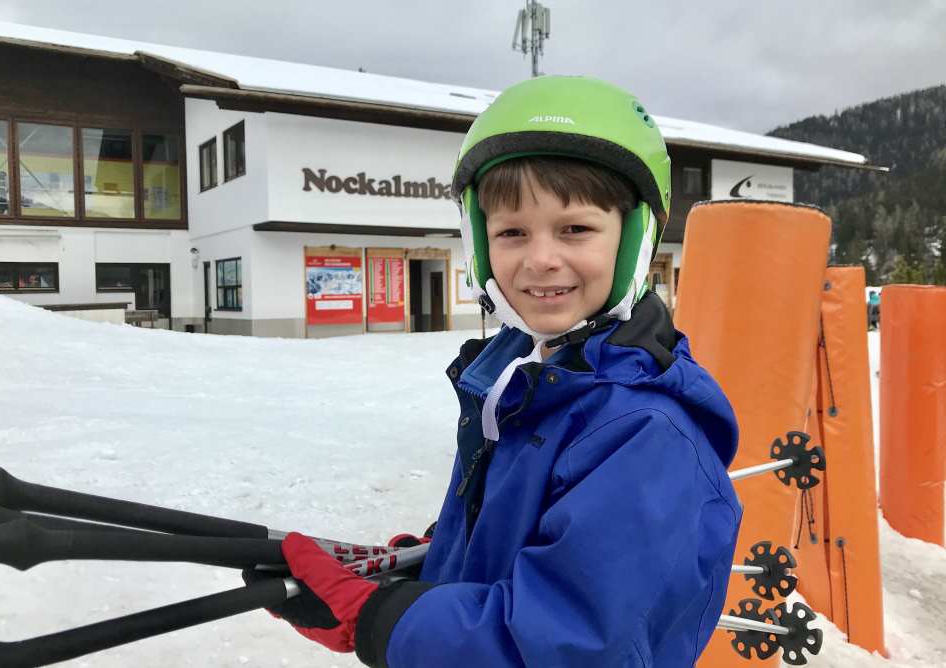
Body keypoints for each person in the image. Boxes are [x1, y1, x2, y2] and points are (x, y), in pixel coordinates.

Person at [254, 76, 742, 667]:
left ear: (636, 238)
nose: (540, 258)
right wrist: (429, 564)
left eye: (576, 229)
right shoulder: (532, 383)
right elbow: (525, 545)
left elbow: (567, 647)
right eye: (511, 232)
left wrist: (379, 621)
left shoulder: (641, 436)